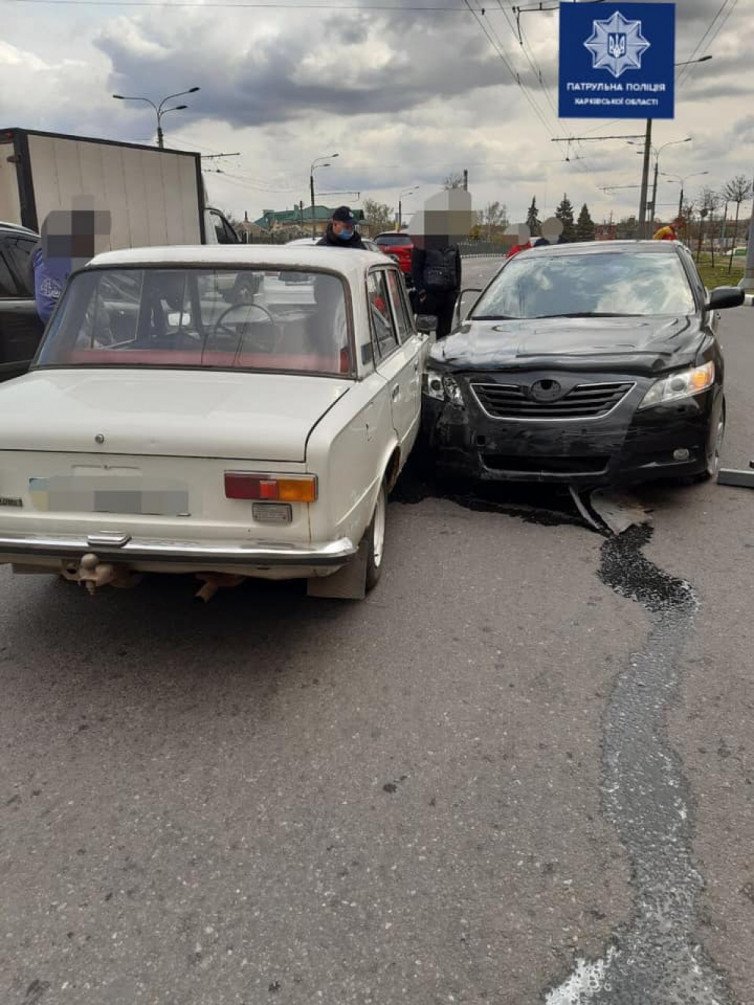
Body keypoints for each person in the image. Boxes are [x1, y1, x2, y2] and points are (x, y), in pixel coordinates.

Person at [411, 236, 462, 339]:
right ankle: (423, 355)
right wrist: (421, 292)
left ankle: (439, 354)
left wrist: (456, 291)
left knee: (444, 335)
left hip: (448, 296)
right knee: (423, 336)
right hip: (428, 296)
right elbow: (416, 269)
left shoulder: (453, 244)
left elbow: (457, 268)